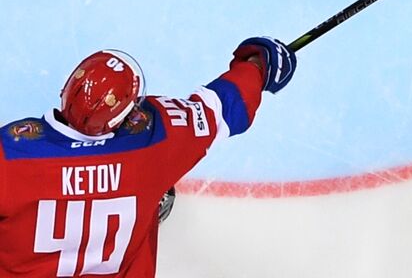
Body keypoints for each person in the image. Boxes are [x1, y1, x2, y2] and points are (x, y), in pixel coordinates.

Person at [0, 40, 295, 277]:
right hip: (134, 196)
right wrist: (259, 64)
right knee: (151, 182)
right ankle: (142, 207)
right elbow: (224, 107)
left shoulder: (10, 152)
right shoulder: (154, 140)